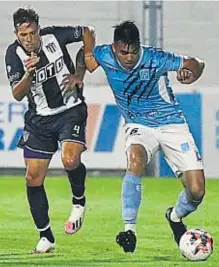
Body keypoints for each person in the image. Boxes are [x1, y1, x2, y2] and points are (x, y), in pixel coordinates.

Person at [84, 21, 205, 253]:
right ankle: (129, 229)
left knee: (197, 191)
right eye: (124, 52)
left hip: (172, 123)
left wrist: (192, 73)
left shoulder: (155, 58)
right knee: (135, 161)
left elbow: (196, 63)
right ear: (115, 47)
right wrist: (80, 75)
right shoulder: (103, 54)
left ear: (140, 46)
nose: (129, 57)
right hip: (138, 124)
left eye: (134, 51)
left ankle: (175, 216)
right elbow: (85, 56)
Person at [4, 7, 94, 253]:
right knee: (33, 178)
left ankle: (78, 201)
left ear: (38, 28)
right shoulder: (13, 55)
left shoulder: (54, 36)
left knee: (70, 159)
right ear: (16, 34)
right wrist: (29, 75)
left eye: (33, 33)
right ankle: (46, 236)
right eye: (23, 35)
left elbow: (88, 32)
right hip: (39, 120)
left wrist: (80, 70)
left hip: (69, 110)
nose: (29, 39)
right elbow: (17, 94)